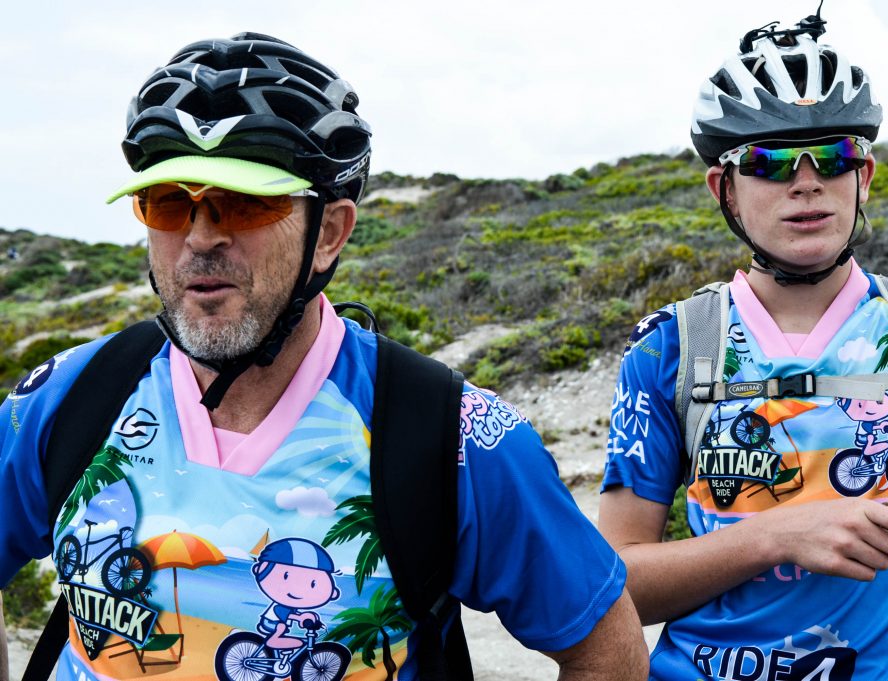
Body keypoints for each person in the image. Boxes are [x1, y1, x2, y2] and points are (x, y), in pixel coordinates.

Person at [0, 33, 647, 681]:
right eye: (169, 203)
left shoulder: (454, 436)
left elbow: (604, 648)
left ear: (330, 232)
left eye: (246, 202)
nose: (200, 237)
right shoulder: (66, 397)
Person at [598, 8, 888, 681]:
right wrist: (774, 536)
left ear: (865, 175)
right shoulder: (668, 346)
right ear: (724, 189)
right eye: (768, 161)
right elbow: (613, 584)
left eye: (834, 156)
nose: (806, 181)